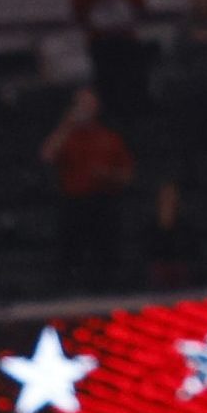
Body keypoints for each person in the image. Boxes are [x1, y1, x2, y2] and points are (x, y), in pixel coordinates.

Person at [41, 88, 136, 293]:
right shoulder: (67, 136)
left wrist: (107, 175)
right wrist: (67, 124)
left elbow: (127, 176)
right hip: (74, 204)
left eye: (89, 103)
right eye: (80, 104)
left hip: (103, 203)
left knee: (105, 254)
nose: (84, 108)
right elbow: (47, 155)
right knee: (70, 254)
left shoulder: (110, 138)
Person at [69, 0, 151, 120]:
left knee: (131, 83)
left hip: (125, 39)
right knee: (107, 85)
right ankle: (112, 118)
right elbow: (79, 12)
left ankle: (132, 117)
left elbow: (139, 5)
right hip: (101, 42)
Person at [145, 179, 200, 292]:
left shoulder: (186, 228)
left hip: (183, 286)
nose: (169, 199)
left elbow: (190, 255)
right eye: (165, 195)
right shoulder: (148, 228)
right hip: (154, 287)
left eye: (172, 195)